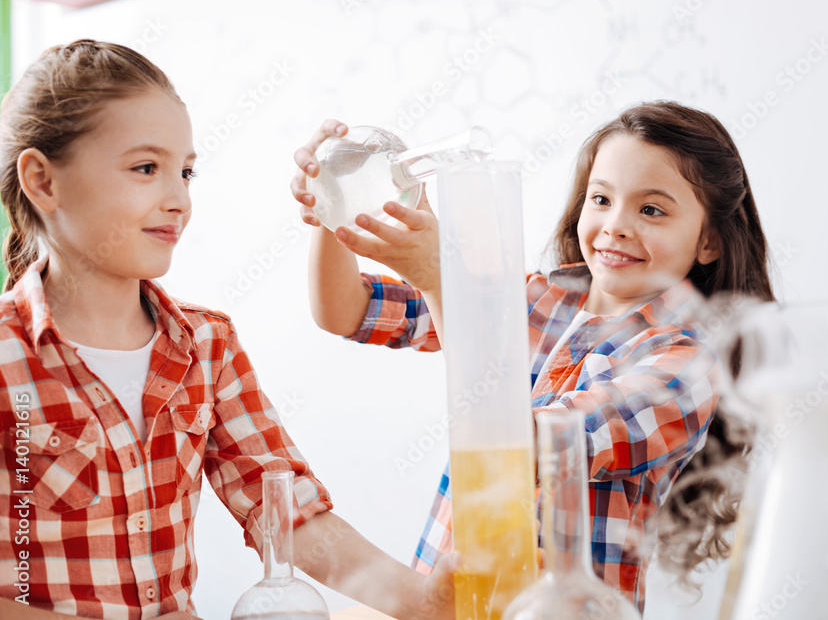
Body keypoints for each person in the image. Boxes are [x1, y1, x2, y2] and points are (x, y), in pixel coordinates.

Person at [0, 40, 455, 620]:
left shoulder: (206, 345)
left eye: (185, 172)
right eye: (146, 168)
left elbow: (287, 514)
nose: (178, 199)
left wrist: (422, 602)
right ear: (43, 182)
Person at [290, 101, 774, 611]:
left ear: (709, 242)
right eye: (601, 199)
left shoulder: (688, 365)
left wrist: (439, 279)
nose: (616, 225)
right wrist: (333, 206)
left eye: (651, 210)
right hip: (453, 605)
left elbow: (520, 446)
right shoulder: (532, 299)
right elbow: (345, 310)